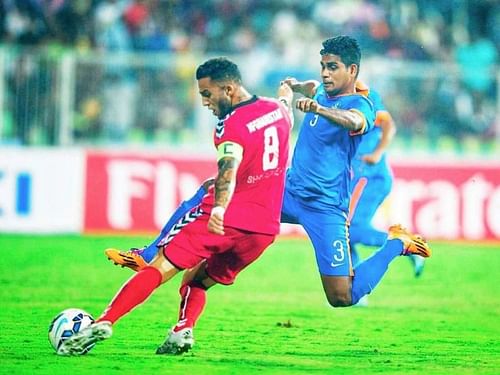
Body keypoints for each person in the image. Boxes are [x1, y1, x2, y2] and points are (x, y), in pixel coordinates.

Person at [107, 36, 431, 311]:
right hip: (287, 190)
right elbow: (313, 87)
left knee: (341, 296)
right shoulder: (323, 90)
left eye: (333, 67)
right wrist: (299, 88)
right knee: (214, 188)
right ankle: (148, 254)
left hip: (326, 207)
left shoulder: (363, 103)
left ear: (353, 70)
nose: (325, 73)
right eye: (323, 66)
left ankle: (396, 244)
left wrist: (318, 109)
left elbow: (356, 123)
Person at [59, 56, 294, 356]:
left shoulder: (230, 127)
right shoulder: (278, 112)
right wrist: (288, 89)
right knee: (197, 280)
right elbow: (286, 104)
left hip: (225, 220)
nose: (205, 102)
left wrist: (219, 209)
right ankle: (183, 330)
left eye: (208, 94)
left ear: (230, 89)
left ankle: (104, 321)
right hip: (262, 231)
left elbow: (228, 171)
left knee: (160, 267)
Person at [349, 82, 425, 279]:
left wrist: (377, 153)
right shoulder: (330, 97)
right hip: (355, 178)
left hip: (370, 176)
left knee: (353, 229)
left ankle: (403, 243)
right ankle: (353, 290)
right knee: (342, 233)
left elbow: (389, 125)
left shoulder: (363, 94)